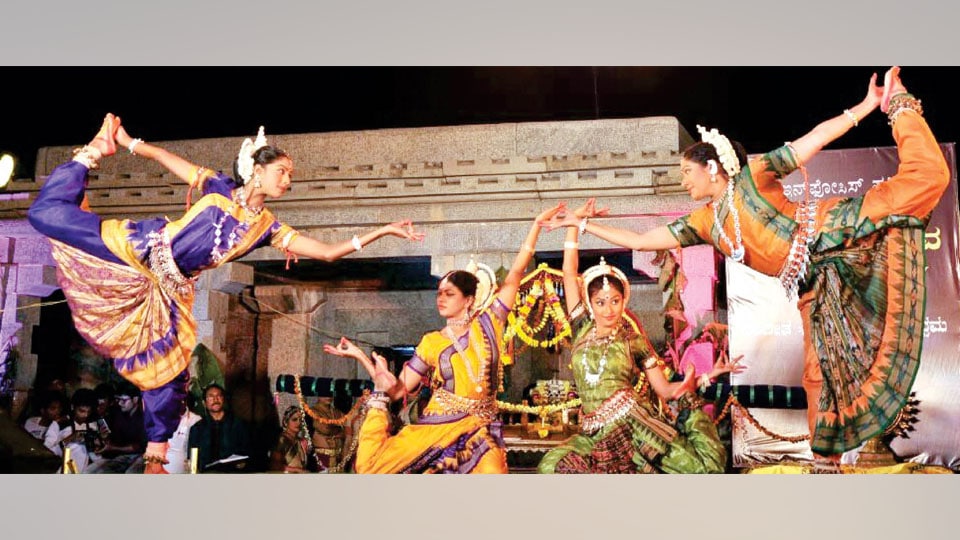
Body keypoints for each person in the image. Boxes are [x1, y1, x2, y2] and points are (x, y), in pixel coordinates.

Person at [543, 67, 950, 462]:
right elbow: (639, 239)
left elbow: (813, 139)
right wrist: (584, 223)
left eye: (687, 172)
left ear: (712, 168)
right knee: (818, 374)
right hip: (815, 280)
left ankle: (901, 103)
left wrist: (866, 106)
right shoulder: (703, 221)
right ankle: (826, 460)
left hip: (830, 231)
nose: (684, 182)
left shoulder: (754, 177)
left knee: (926, 180)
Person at [27, 114, 424, 473]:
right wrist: (129, 143)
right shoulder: (218, 187)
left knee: (169, 373)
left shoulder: (268, 227)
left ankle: (155, 457)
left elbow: (326, 252)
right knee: (47, 215)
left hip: (171, 288)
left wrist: (384, 231)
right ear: (257, 169)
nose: (287, 180)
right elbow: (172, 161)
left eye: (289, 175)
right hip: (144, 247)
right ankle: (93, 152)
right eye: (282, 171)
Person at [324, 204, 564, 473]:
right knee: (372, 468)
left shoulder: (490, 323)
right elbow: (399, 391)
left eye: (449, 293)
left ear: (469, 299)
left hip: (477, 431)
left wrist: (535, 226)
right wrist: (364, 361)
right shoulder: (431, 342)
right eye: (439, 293)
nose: (440, 298)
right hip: (436, 428)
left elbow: (516, 274)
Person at [537, 218, 741, 473]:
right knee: (551, 467)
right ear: (590, 304)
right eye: (600, 302)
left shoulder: (633, 340)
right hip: (593, 432)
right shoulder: (581, 329)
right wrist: (574, 223)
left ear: (624, 301)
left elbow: (665, 390)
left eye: (615, 301)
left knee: (699, 470)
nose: (609, 309)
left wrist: (705, 378)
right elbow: (569, 272)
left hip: (634, 425)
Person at [187, 384, 252, 473]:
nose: (215, 399)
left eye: (219, 396)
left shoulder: (238, 424)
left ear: (223, 399)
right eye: (211, 396)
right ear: (204, 403)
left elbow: (247, 451)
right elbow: (192, 458)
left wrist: (242, 462)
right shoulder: (197, 428)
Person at [268, 406, 312, 473]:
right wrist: (296, 470)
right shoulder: (281, 440)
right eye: (294, 419)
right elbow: (274, 466)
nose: (298, 423)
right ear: (286, 421)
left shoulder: (301, 441)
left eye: (301, 420)